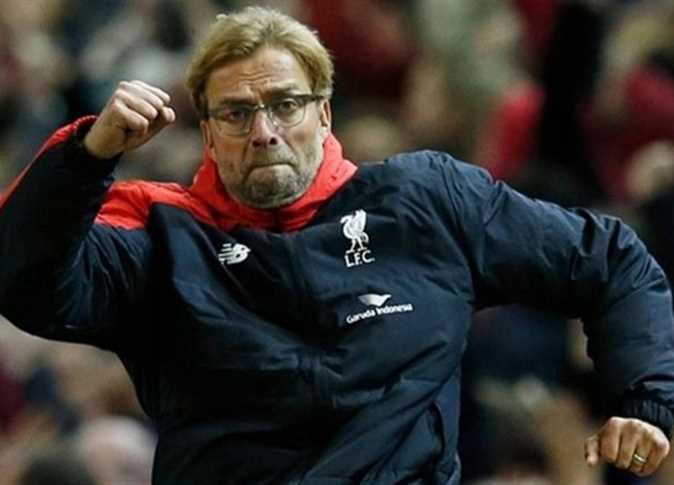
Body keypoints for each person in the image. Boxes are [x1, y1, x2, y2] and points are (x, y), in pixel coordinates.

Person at [0, 6, 673, 484]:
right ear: (207, 132)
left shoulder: (425, 201)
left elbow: (612, 260)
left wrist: (644, 398)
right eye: (236, 113)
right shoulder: (161, 233)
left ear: (324, 113)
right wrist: (85, 159)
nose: (264, 130)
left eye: (286, 104)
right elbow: (24, 284)